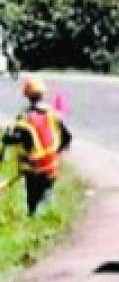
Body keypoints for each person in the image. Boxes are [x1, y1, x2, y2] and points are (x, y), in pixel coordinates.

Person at [2, 76, 72, 215]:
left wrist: (7, 140)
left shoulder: (24, 117)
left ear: (27, 95)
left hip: (32, 168)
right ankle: (45, 221)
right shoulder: (53, 114)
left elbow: (13, 138)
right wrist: (55, 154)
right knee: (46, 199)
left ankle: (35, 220)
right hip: (50, 167)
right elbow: (66, 138)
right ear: (42, 94)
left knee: (33, 202)